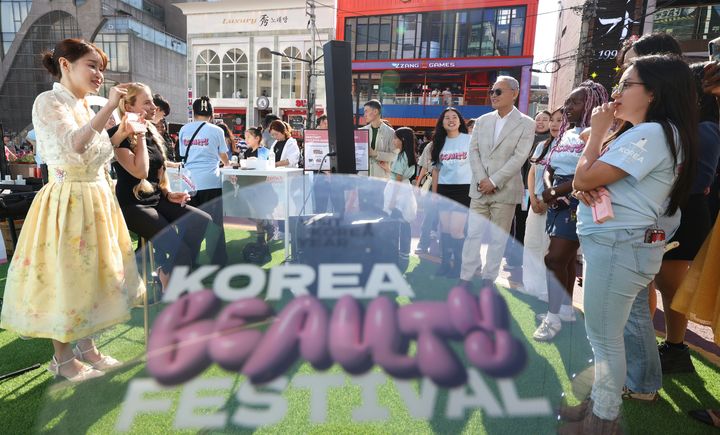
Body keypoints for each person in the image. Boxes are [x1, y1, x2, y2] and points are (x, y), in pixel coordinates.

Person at [560, 55, 698, 433]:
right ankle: (598, 406)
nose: (617, 93)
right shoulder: (655, 133)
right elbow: (587, 182)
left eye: (627, 84)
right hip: (623, 244)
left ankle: (602, 420)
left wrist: (598, 130)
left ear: (653, 92)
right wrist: (585, 178)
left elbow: (585, 177)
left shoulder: (652, 134)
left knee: (604, 338)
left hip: (620, 245)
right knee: (610, 333)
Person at [0, 38, 144, 382]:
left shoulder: (82, 105)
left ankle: (87, 349)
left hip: (94, 198)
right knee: (66, 277)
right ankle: (62, 360)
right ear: (66, 64)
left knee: (92, 276)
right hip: (67, 200)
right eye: (92, 65)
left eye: (101, 69)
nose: (99, 74)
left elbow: (94, 152)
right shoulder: (48, 101)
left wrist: (119, 132)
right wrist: (111, 110)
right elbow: (72, 146)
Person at [109, 83, 211, 290]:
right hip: (134, 205)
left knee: (201, 220)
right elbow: (141, 172)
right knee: (180, 251)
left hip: (157, 198)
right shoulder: (116, 134)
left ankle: (168, 271)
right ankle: (175, 291)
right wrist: (137, 134)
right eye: (146, 102)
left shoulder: (151, 130)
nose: (153, 107)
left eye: (152, 102)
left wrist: (168, 192)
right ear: (129, 107)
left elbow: (159, 170)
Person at [533, 81, 608, 342]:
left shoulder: (599, 133)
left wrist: (555, 192)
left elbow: (593, 170)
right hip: (556, 199)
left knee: (553, 259)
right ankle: (564, 311)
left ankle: (552, 319)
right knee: (561, 261)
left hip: (576, 200)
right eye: (567, 102)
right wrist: (547, 188)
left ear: (592, 104)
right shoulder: (567, 131)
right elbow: (550, 165)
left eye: (574, 102)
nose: (567, 107)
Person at [459, 76, 535, 289]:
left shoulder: (527, 123)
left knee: (497, 239)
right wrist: (483, 179)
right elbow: (472, 152)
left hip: (506, 190)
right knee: (472, 234)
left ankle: (487, 280)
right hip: (479, 188)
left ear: (514, 93)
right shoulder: (482, 120)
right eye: (492, 91)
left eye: (498, 92)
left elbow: (519, 157)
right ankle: (465, 277)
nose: (493, 95)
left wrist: (494, 181)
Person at [178, 96, 230, 266]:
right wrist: (228, 164)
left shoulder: (184, 129)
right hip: (211, 181)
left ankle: (188, 260)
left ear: (194, 112)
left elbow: (182, 155)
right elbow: (223, 155)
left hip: (189, 182)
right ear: (211, 113)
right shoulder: (217, 130)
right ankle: (217, 261)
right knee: (214, 224)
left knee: (191, 225)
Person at [506, 110, 553, 272]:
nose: (540, 122)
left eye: (545, 119)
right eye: (537, 119)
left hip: (543, 192)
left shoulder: (552, 141)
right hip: (523, 189)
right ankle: (516, 258)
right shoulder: (526, 138)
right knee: (519, 223)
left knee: (536, 227)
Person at [522, 108, 562, 301]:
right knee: (532, 244)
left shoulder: (569, 147)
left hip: (555, 205)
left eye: (559, 120)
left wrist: (546, 201)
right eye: (552, 120)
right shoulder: (542, 145)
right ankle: (531, 286)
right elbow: (532, 172)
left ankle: (547, 292)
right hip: (535, 201)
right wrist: (533, 198)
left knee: (548, 248)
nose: (554, 124)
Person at [430, 108, 472, 278]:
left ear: (460, 121)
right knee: (445, 228)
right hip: (444, 189)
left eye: (454, 117)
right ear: (442, 122)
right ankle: (445, 263)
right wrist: (434, 194)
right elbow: (436, 171)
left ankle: (459, 266)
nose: (451, 120)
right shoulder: (438, 142)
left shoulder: (469, 140)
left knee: (456, 230)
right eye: (447, 118)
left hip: (463, 189)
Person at [385, 127, 417, 271]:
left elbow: (397, 179)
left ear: (402, 140)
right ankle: (404, 255)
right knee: (405, 224)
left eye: (396, 138)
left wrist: (392, 200)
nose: (394, 140)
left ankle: (398, 256)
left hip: (398, 193)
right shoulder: (409, 155)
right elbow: (400, 175)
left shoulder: (401, 156)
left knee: (397, 225)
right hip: (406, 190)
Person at [360, 99, 395, 179]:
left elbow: (394, 156)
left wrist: (375, 153)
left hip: (381, 178)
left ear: (375, 111)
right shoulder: (361, 132)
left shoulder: (391, 132)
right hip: (363, 177)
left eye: (366, 111)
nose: (364, 114)